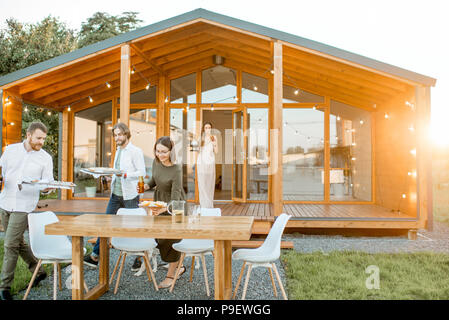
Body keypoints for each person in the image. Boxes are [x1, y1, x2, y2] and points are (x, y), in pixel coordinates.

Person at [0, 122, 55, 300]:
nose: (41, 142)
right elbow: (2, 170)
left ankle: (4, 287)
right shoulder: (10, 150)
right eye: (39, 138)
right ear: (28, 135)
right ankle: (38, 271)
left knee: (9, 244)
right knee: (18, 243)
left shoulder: (45, 158)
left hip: (24, 205)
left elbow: (48, 183)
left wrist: (46, 188)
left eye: (43, 139)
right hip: (6, 201)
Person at [83, 122, 146, 272]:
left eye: (120, 134)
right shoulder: (118, 151)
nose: (117, 137)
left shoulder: (135, 151)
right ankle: (95, 256)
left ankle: (140, 257)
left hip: (130, 195)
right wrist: (111, 177)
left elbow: (141, 173)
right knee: (106, 224)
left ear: (126, 134)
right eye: (115, 135)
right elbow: (117, 172)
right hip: (116, 195)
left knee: (135, 227)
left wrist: (123, 175)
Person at [142, 136, 186, 289]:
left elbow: (175, 196)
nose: (160, 155)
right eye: (157, 151)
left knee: (172, 239)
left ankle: (170, 275)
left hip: (176, 205)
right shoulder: (156, 162)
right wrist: (146, 187)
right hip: (159, 201)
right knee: (159, 237)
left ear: (171, 152)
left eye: (164, 152)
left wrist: (165, 209)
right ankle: (178, 267)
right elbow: (155, 179)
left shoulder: (177, 169)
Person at [197, 122, 218, 208]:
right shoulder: (200, 138)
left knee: (209, 183)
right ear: (203, 129)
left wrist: (214, 144)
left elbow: (216, 152)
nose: (208, 129)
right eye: (206, 127)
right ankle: (203, 205)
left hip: (210, 162)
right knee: (202, 183)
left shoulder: (214, 137)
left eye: (209, 127)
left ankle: (209, 204)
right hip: (201, 162)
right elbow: (197, 151)